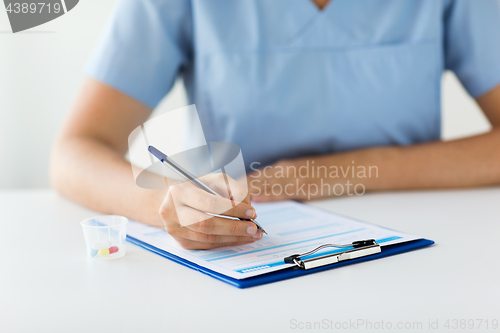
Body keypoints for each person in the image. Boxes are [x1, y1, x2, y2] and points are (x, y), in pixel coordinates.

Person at [50, 0, 500, 250]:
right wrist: (172, 205)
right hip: (253, 252)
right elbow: (75, 151)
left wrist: (327, 173)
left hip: (423, 246)